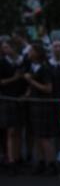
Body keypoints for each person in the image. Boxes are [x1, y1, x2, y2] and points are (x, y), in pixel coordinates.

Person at [24, 42, 56, 175]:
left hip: (43, 106)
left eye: (31, 51)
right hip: (34, 105)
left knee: (44, 137)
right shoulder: (33, 66)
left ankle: (51, 164)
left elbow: (48, 88)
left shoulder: (45, 68)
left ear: (37, 53)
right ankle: (41, 162)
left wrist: (31, 81)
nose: (28, 53)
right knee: (37, 135)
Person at [0, 39, 26, 173]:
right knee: (10, 131)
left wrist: (26, 95)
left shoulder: (22, 61)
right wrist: (15, 78)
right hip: (7, 99)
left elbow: (26, 80)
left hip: (20, 99)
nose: (5, 50)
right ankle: (10, 160)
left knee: (18, 130)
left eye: (7, 47)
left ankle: (17, 157)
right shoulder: (2, 62)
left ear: (14, 48)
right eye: (3, 47)